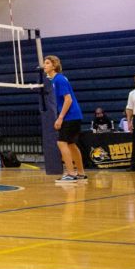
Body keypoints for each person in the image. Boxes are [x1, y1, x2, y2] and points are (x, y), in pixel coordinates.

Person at [43, 55, 86, 183]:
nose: (44, 66)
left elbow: (68, 99)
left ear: (54, 66)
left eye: (47, 63)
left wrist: (60, 118)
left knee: (61, 143)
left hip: (70, 115)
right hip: (75, 115)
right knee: (71, 144)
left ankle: (71, 174)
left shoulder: (59, 80)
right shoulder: (57, 79)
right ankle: (81, 173)